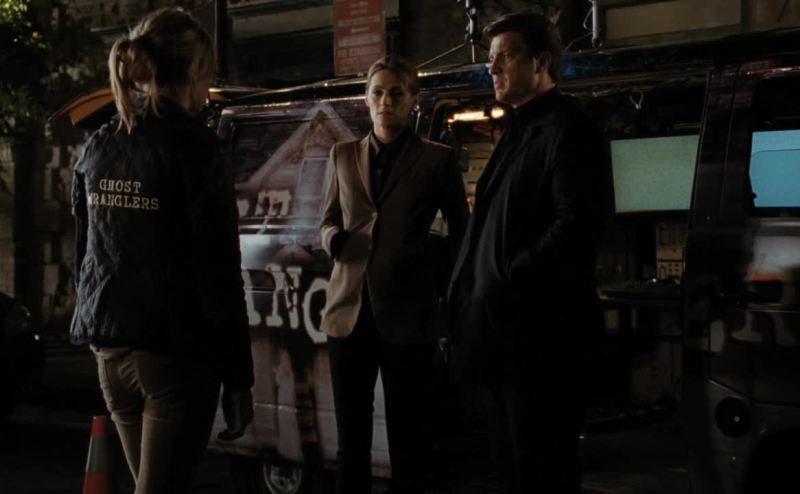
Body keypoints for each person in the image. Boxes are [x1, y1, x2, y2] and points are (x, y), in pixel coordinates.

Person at [70, 8, 254, 493]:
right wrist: (239, 378)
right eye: (209, 75)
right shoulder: (196, 147)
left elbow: (85, 250)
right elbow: (220, 270)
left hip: (109, 346)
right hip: (171, 351)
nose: (209, 90)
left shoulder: (100, 143)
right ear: (194, 71)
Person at [447, 11, 612, 494]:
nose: (493, 68)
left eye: (506, 56)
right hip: (503, 341)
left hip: (541, 346)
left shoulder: (569, 130)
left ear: (541, 62)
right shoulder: (518, 129)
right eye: (491, 59)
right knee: (512, 472)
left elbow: (575, 229)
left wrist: (507, 278)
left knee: (542, 472)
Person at [320, 55, 469, 494]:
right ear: (366, 100)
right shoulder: (342, 154)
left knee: (410, 442)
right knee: (351, 442)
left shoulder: (437, 159)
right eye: (378, 93)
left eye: (396, 94)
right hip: (348, 312)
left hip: (410, 314)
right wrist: (333, 239)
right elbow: (327, 218)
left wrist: (437, 278)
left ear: (413, 100)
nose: (386, 101)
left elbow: (462, 232)